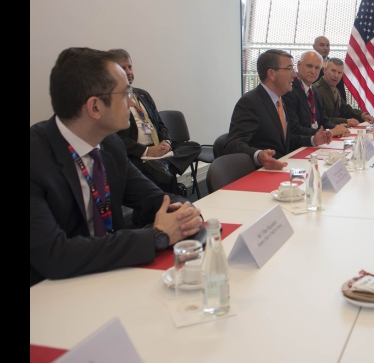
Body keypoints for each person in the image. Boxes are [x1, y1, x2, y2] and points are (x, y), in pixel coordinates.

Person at [30, 47, 203, 286]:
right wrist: (155, 236)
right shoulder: (36, 158)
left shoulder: (109, 143)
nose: (132, 101)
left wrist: (185, 211)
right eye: (125, 94)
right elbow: (53, 255)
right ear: (95, 107)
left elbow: (155, 198)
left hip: (112, 273)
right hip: (54, 291)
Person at [108, 49, 200, 195]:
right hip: (136, 153)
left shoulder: (143, 94)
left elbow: (160, 125)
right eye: (123, 68)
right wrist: (147, 151)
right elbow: (116, 138)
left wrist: (166, 143)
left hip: (157, 147)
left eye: (130, 67)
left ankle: (163, 164)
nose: (128, 72)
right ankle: (171, 191)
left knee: (192, 146)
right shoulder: (110, 100)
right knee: (162, 177)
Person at [225, 49, 332, 170]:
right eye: (289, 69)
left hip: (283, 166)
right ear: (271, 74)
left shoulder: (280, 101)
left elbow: (286, 139)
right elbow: (232, 144)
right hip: (261, 172)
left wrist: (313, 139)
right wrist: (258, 155)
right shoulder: (250, 102)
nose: (294, 74)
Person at [283, 51, 349, 138]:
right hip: (300, 145)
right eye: (309, 66)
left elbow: (324, 120)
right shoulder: (289, 90)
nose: (313, 71)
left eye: (317, 68)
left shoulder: (314, 91)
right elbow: (295, 129)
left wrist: (338, 128)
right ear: (299, 65)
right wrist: (329, 132)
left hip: (316, 142)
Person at [314, 58, 373, 126]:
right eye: (333, 71)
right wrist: (345, 121)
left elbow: (345, 109)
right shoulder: (316, 90)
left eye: (339, 73)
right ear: (325, 70)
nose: (336, 76)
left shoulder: (335, 90)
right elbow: (321, 119)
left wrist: (363, 115)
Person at [313, 36, 347, 102]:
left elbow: (340, 88)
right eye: (322, 45)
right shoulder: (309, 65)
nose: (325, 48)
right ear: (314, 46)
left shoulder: (335, 65)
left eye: (327, 45)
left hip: (335, 103)